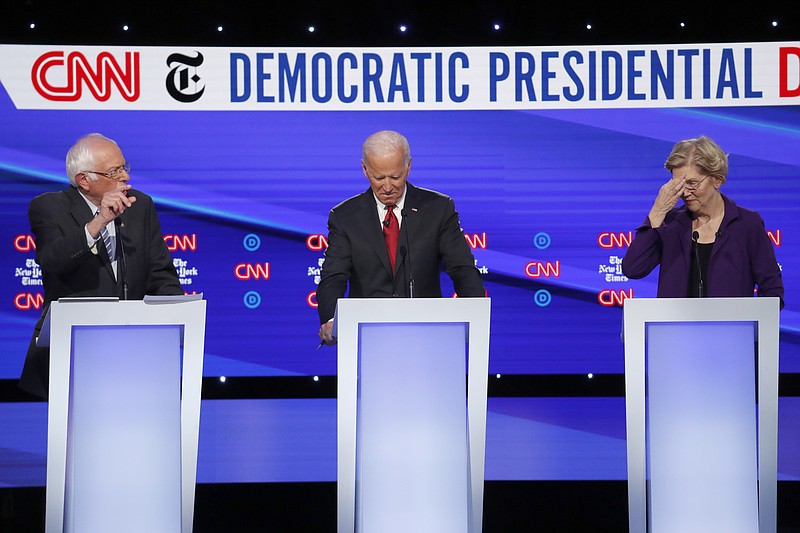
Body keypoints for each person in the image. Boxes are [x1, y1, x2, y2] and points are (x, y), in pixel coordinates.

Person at [20, 133, 183, 399]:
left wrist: (174, 322)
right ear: (84, 180)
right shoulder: (48, 207)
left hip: (137, 348)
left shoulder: (140, 205)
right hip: (74, 348)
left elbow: (160, 273)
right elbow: (52, 259)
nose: (125, 177)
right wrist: (98, 223)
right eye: (114, 171)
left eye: (124, 167)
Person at [316, 130, 485, 345]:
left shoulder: (438, 209)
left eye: (395, 177)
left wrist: (476, 316)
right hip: (367, 336)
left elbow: (462, 269)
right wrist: (332, 321)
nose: (387, 187)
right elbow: (333, 276)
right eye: (379, 177)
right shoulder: (344, 217)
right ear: (365, 169)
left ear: (408, 166)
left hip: (429, 335)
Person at [622, 135, 783, 307]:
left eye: (692, 183)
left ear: (717, 179)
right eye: (678, 184)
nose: (685, 192)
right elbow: (633, 269)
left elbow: (772, 290)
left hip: (732, 332)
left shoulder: (747, 224)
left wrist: (754, 327)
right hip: (675, 332)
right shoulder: (671, 223)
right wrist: (658, 210)